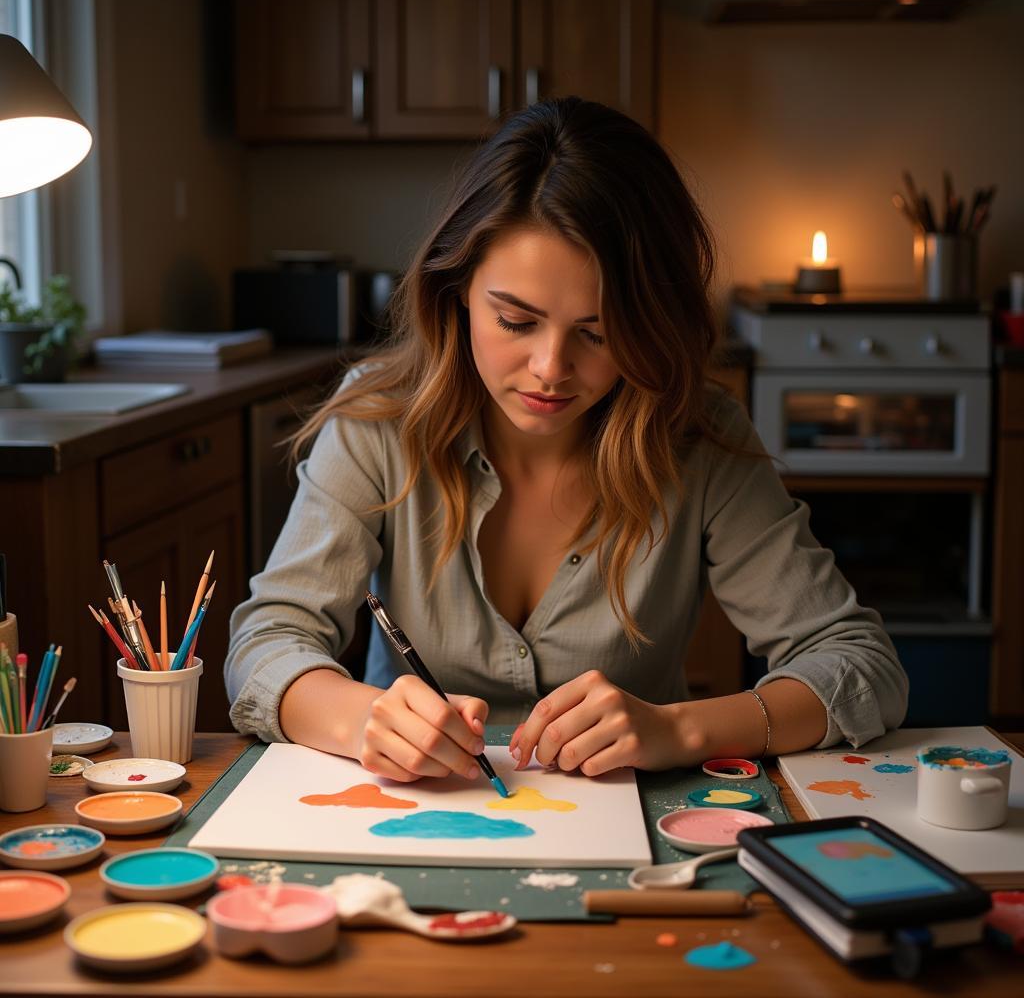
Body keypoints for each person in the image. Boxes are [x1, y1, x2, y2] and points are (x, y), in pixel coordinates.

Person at [225, 97, 908, 784]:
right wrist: (363, 718)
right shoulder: (376, 422)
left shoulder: (698, 438)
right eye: (516, 320)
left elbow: (859, 665)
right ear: (457, 290)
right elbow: (265, 643)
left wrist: (679, 728)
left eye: (597, 332)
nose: (551, 369)